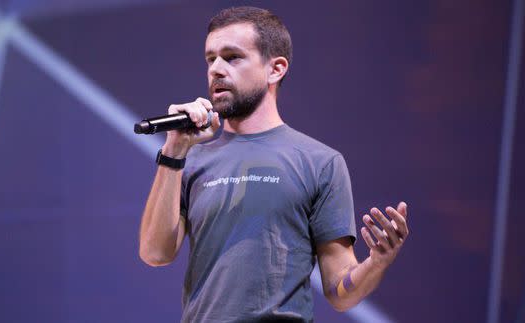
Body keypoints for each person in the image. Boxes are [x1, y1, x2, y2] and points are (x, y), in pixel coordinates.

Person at [138, 6, 410, 323]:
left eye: (232, 57)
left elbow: (340, 291)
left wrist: (377, 262)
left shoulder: (320, 162)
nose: (216, 69)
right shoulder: (189, 159)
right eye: (210, 59)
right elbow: (155, 254)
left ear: (275, 69)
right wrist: (175, 147)